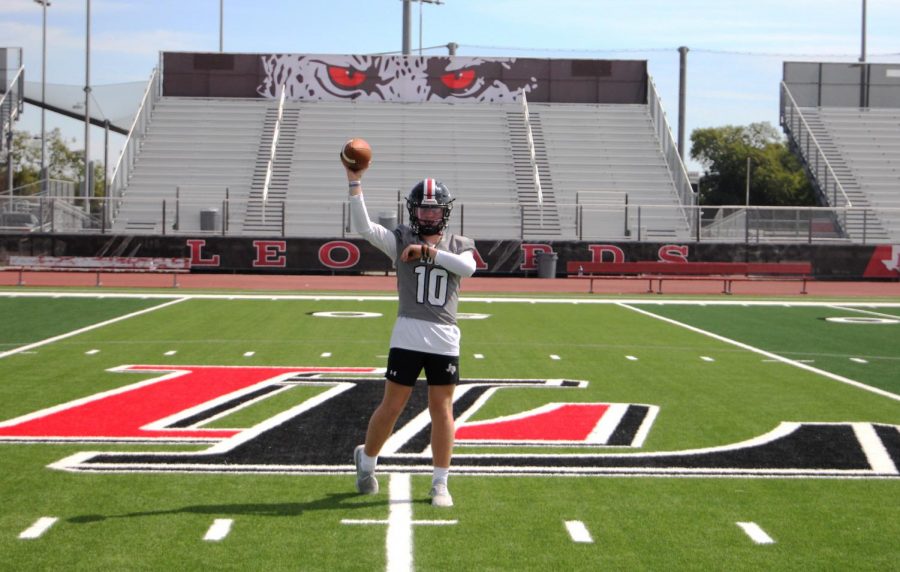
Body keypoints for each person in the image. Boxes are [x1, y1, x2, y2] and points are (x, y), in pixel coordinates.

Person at [345, 162, 476, 508]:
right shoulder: (401, 238)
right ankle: (367, 462)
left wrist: (429, 252)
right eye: (423, 208)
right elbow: (364, 228)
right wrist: (355, 182)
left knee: (442, 410)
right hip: (407, 333)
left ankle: (440, 482)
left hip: (445, 336)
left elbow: (469, 268)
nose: (429, 215)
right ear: (412, 210)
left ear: (445, 212)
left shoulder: (459, 243)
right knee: (392, 406)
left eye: (434, 209)